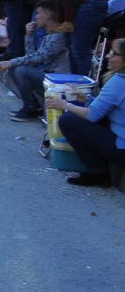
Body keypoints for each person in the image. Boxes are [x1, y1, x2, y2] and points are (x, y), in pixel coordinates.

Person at [48, 39, 125, 186]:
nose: (108, 56)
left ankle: (97, 172)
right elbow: (108, 108)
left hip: (121, 149)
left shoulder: (119, 81)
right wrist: (86, 98)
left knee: (68, 120)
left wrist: (65, 104)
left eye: (114, 54)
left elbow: (92, 115)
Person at [0, 0, 71, 121]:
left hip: (57, 83)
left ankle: (32, 108)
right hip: (47, 78)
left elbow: (39, 57)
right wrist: (29, 36)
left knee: (20, 70)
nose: (36, 17)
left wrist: (11, 62)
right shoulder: (49, 34)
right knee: (17, 68)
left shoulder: (59, 36)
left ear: (47, 16)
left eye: (38, 13)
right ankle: (33, 106)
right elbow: (32, 57)